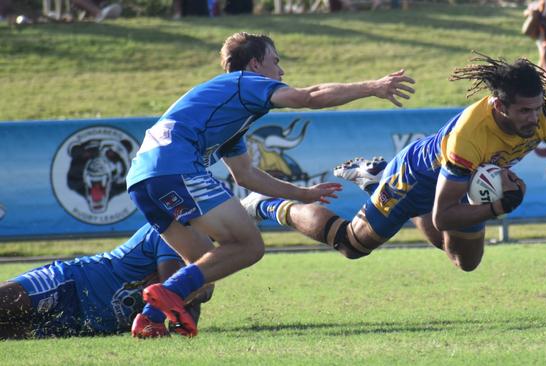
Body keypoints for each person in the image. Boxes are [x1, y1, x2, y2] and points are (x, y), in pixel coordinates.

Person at [125, 31, 415, 338]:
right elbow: (308, 97)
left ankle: (150, 318)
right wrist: (372, 87)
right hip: (174, 166)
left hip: (142, 179)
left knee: (203, 278)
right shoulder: (243, 83)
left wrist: (303, 193)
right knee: (248, 245)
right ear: (254, 65)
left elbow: (246, 176)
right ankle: (166, 293)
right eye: (275, 62)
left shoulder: (230, 111)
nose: (281, 72)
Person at [242, 53, 546, 273]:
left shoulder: (543, 113)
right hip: (417, 176)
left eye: (535, 108)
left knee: (463, 261)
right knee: (352, 245)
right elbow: (443, 216)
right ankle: (269, 205)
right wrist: (496, 206)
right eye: (523, 111)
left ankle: (373, 178)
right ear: (499, 106)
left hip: (455, 186)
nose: (533, 118)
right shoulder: (472, 135)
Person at [0, 224, 211, 339]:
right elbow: (170, 291)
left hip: (83, 323)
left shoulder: (200, 251)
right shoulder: (168, 230)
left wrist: (202, 289)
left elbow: (182, 324)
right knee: (5, 303)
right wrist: (201, 285)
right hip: (71, 282)